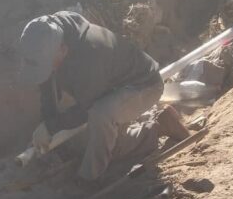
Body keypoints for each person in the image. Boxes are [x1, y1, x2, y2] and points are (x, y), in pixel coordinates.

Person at [18, 11, 190, 184]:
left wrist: (50, 127)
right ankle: (127, 129)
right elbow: (47, 84)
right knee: (84, 142)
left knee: (102, 119)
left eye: (49, 65)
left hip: (143, 86)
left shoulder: (90, 54)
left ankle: (156, 128)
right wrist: (47, 122)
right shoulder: (50, 38)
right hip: (110, 89)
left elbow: (87, 109)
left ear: (63, 49)